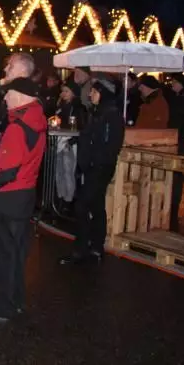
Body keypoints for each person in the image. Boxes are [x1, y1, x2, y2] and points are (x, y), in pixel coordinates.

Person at [0, 76, 47, 323]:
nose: (5, 98)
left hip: (5, 199)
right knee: (16, 255)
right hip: (24, 196)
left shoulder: (18, 127)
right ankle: (15, 302)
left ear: (19, 96)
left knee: (0, 256)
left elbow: (6, 170)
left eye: (8, 94)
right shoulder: (37, 120)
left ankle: (1, 307)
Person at [59, 79, 124, 265]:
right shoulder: (97, 112)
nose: (90, 95)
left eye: (94, 92)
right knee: (95, 206)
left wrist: (95, 161)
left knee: (82, 206)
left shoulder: (110, 115)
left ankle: (82, 248)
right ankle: (96, 246)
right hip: (93, 166)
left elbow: (109, 144)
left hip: (99, 167)